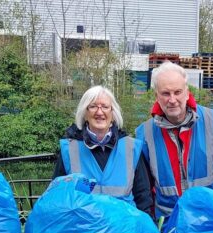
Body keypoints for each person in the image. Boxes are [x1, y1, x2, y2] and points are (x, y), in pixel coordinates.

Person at [136, 61, 213, 223]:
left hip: (211, 221)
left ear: (187, 93)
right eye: (166, 93)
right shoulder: (144, 134)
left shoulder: (212, 122)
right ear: (156, 96)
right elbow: (144, 190)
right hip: (169, 225)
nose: (172, 99)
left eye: (177, 92)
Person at [54, 85, 154, 214]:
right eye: (93, 106)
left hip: (123, 229)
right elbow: (58, 197)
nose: (99, 112)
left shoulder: (132, 148)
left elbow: (143, 197)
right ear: (85, 113)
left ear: (113, 113)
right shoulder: (69, 149)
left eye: (105, 107)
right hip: (83, 229)